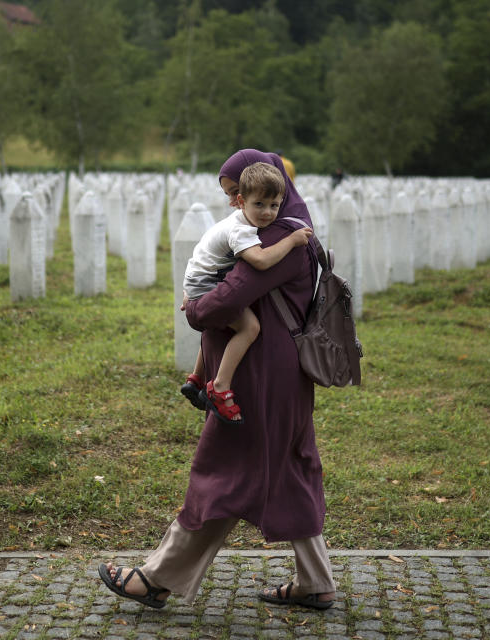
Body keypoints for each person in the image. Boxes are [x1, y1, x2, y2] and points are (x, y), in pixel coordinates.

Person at [98, 149, 337, 611]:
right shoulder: (288, 227)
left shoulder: (282, 236)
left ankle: (157, 578)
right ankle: (316, 581)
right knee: (289, 466)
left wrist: (193, 308)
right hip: (281, 371)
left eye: (238, 194)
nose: (237, 203)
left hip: (261, 374)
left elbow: (227, 299)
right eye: (234, 195)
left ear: (274, 194)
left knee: (223, 470)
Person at [179, 162, 313, 425]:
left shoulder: (237, 220)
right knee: (250, 328)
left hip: (199, 278)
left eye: (274, 205)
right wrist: (292, 240)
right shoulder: (240, 229)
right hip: (207, 283)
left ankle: (196, 377)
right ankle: (219, 386)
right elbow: (261, 261)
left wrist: (189, 290)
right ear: (241, 201)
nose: (267, 213)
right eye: (259, 205)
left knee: (219, 325)